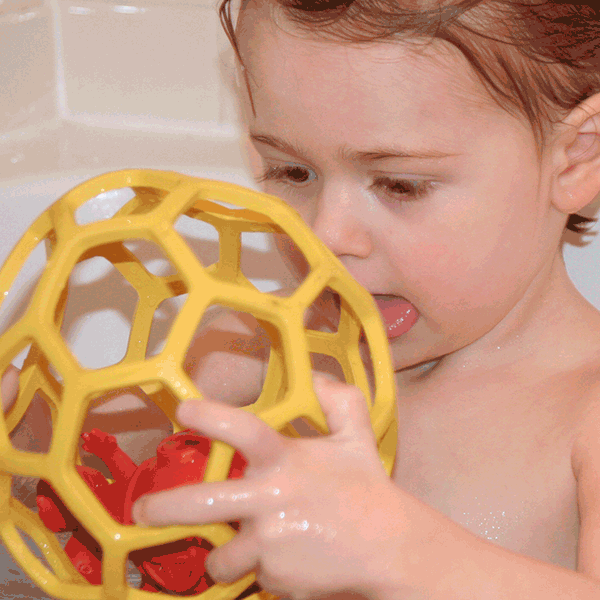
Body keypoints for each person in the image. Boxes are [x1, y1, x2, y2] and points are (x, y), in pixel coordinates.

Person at [3, 0, 600, 597]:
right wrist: (22, 442)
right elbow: (92, 483)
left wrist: (408, 557)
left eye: (400, 184)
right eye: (292, 173)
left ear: (578, 156)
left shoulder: (584, 414)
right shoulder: (255, 346)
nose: (325, 235)